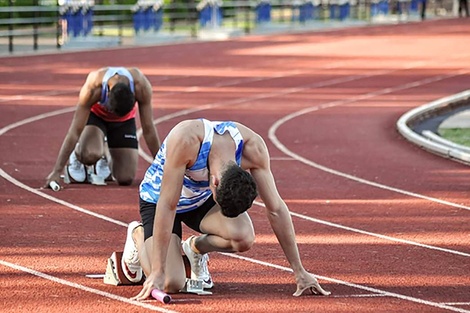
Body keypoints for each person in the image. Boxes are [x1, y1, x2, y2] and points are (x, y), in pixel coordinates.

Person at [120, 118, 330, 300]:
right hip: (159, 200)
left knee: (243, 237)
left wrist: (299, 271)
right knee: (170, 282)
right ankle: (138, 234)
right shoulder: (186, 140)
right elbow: (168, 205)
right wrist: (157, 271)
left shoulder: (252, 148)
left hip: (200, 200)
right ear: (216, 182)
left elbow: (276, 209)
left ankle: (194, 249)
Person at [44, 67, 160, 189]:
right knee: (90, 155)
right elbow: (74, 131)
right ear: (108, 94)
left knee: (125, 178)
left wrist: (162, 168)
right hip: (97, 118)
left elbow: (148, 130)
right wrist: (57, 171)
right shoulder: (93, 87)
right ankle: (78, 153)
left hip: (124, 122)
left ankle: (105, 150)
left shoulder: (141, 86)